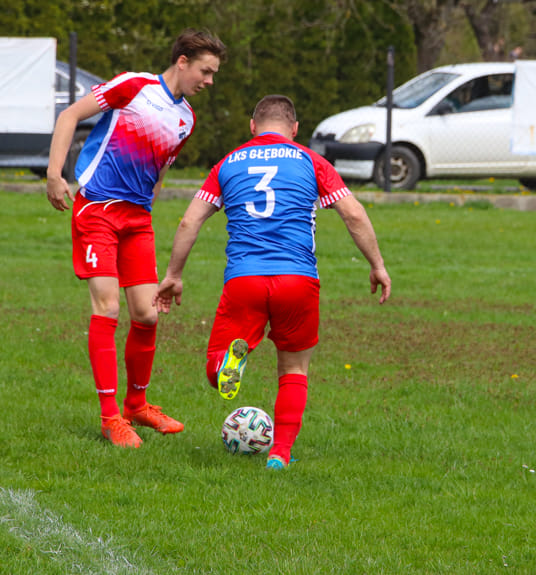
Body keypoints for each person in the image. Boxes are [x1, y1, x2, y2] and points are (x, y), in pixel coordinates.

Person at [154, 94, 392, 470]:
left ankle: (229, 361)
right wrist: (377, 265)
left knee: (216, 371)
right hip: (298, 278)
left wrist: (173, 275)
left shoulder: (228, 163)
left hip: (244, 278)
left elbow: (189, 222)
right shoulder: (312, 161)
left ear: (252, 127)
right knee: (294, 369)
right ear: (295, 129)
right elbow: (353, 214)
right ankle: (279, 454)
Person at [45, 29, 227, 448]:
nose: (210, 81)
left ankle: (136, 405)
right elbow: (69, 115)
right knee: (107, 306)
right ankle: (111, 419)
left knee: (147, 315)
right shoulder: (134, 87)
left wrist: (147, 211)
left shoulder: (187, 119)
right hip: (98, 211)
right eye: (206, 70)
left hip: (137, 220)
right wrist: (55, 175)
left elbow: (159, 171)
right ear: (182, 61)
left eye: (214, 73)